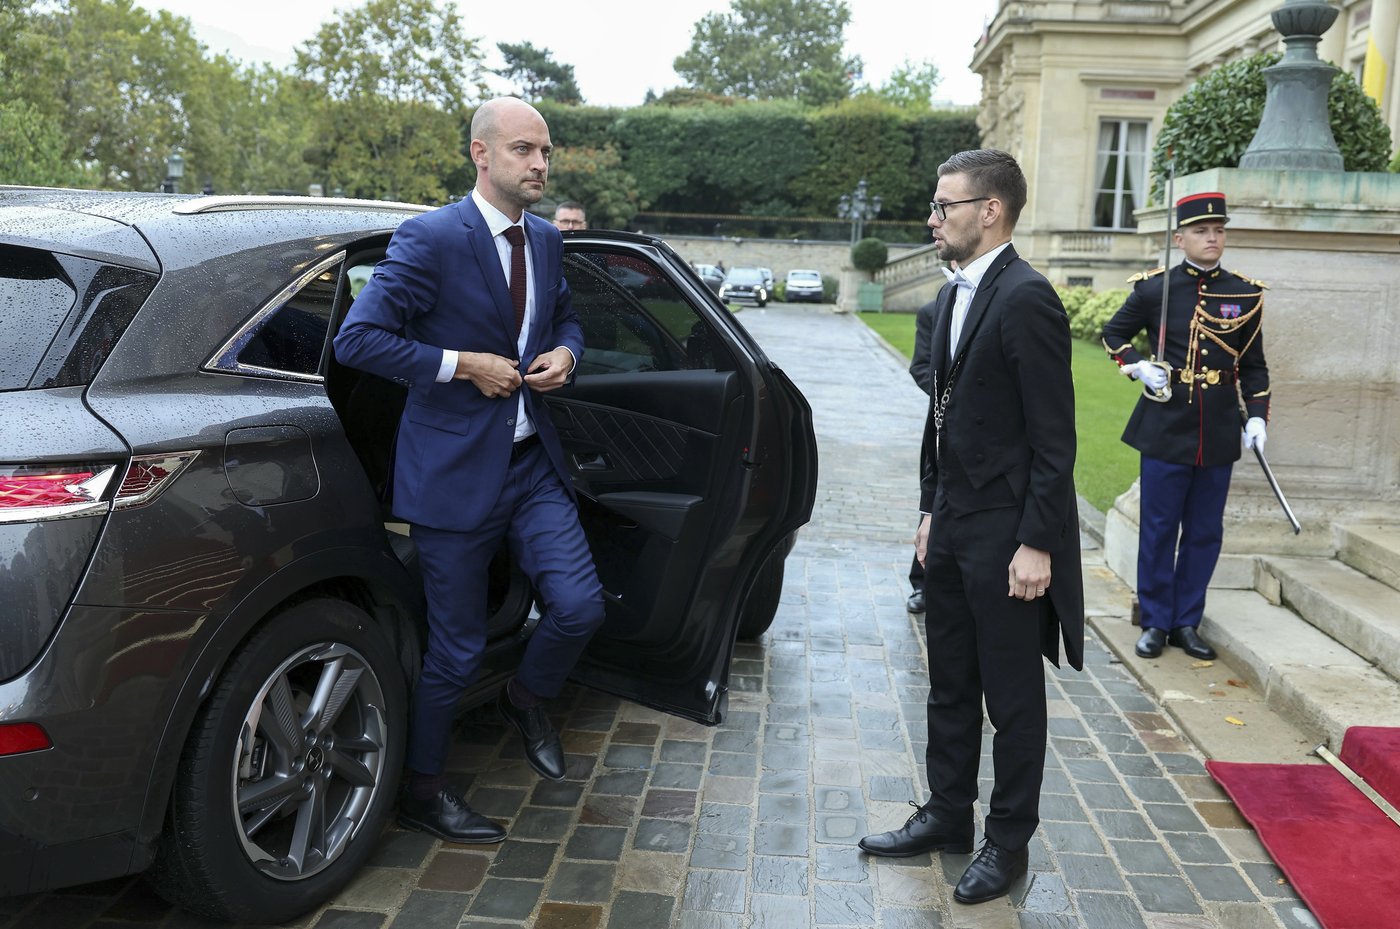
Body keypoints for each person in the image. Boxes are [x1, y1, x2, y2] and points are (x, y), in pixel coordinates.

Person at [333, 97, 605, 845]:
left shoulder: (547, 241)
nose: (540, 164)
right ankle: (422, 789)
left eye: (546, 151)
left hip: (531, 464)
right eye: (524, 150)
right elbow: (360, 340)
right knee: (452, 651)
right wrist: (462, 366)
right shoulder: (430, 239)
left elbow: (569, 320)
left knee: (580, 608)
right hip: (451, 475)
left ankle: (524, 695)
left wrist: (568, 355)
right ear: (481, 156)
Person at [859, 150, 1084, 907]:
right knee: (949, 682)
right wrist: (930, 511)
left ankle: (1008, 841)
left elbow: (1055, 438)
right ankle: (948, 814)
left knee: (1013, 698)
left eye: (944, 205)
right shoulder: (954, 295)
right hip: (953, 523)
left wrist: (1039, 542)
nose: (933, 218)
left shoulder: (1027, 297)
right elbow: (942, 417)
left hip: (1009, 535)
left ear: (989, 209)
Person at [1100, 192, 1269, 662]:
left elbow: (1253, 365)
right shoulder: (1156, 289)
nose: (1211, 238)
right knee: (1158, 527)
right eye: (1200, 231)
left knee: (1203, 531)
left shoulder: (1244, 293)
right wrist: (1136, 366)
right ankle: (1155, 620)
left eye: (1218, 230)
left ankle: (1186, 621)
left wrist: (1256, 415)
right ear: (1180, 239)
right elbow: (1114, 334)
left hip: (1217, 427)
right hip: (1166, 424)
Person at [904, 264, 955, 615]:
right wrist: (951, 396)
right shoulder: (932, 311)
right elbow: (921, 366)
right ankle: (921, 582)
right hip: (944, 419)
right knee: (933, 498)